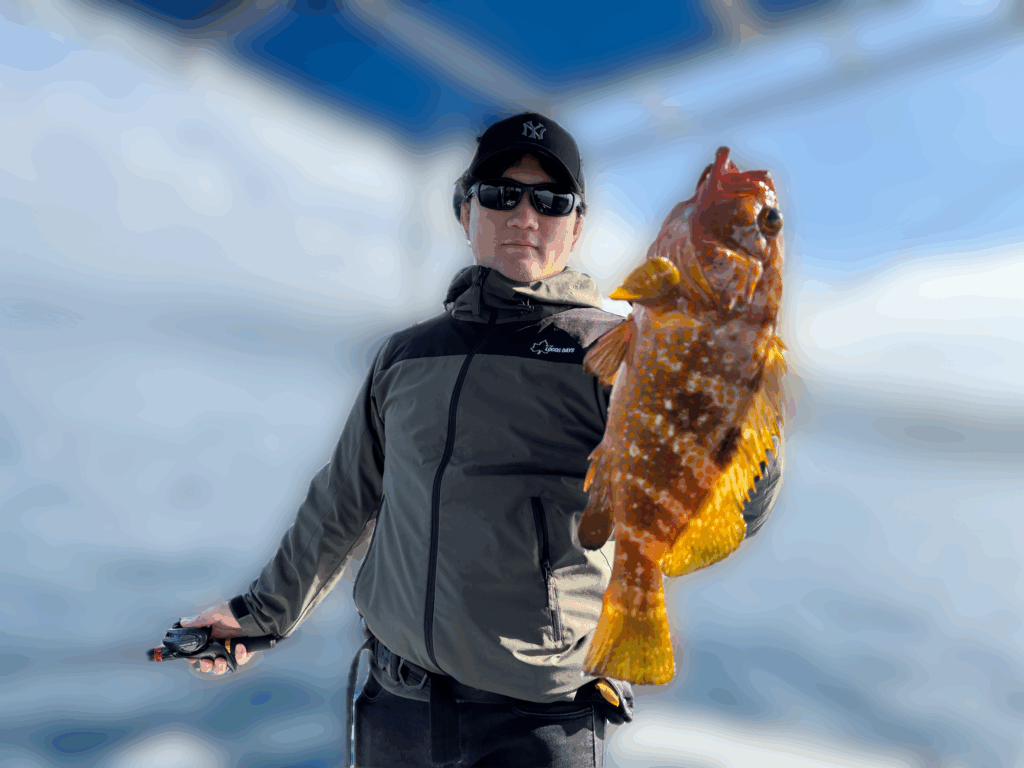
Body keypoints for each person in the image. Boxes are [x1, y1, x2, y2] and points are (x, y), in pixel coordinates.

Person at [179, 112, 785, 767]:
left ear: (577, 226)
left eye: (551, 200)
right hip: (396, 705)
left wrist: (743, 408)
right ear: (466, 212)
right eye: (502, 194)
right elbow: (342, 500)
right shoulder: (406, 356)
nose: (525, 214)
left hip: (539, 725)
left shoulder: (617, 352)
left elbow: (723, 485)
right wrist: (261, 615)